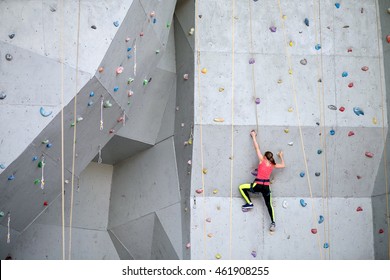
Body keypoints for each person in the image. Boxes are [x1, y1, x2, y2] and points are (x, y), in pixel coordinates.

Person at [239, 130, 285, 232]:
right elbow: (283, 165)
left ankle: (249, 203)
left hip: (257, 186)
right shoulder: (273, 165)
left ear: (265, 157)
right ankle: (273, 222)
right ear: (271, 158)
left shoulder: (261, 160)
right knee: (269, 205)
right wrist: (281, 156)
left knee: (241, 187)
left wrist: (253, 136)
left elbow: (256, 147)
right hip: (266, 188)